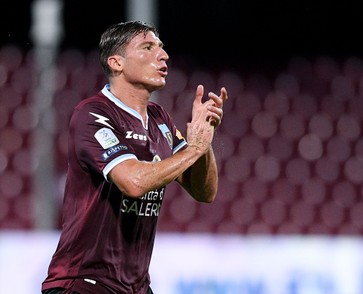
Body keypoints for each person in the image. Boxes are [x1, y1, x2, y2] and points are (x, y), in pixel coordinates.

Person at [41, 20, 228, 294]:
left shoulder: (159, 119)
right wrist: (194, 149)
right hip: (84, 282)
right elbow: (133, 182)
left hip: (136, 287)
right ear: (116, 63)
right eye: (148, 47)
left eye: (162, 48)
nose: (163, 55)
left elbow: (204, 191)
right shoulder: (92, 115)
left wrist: (205, 138)